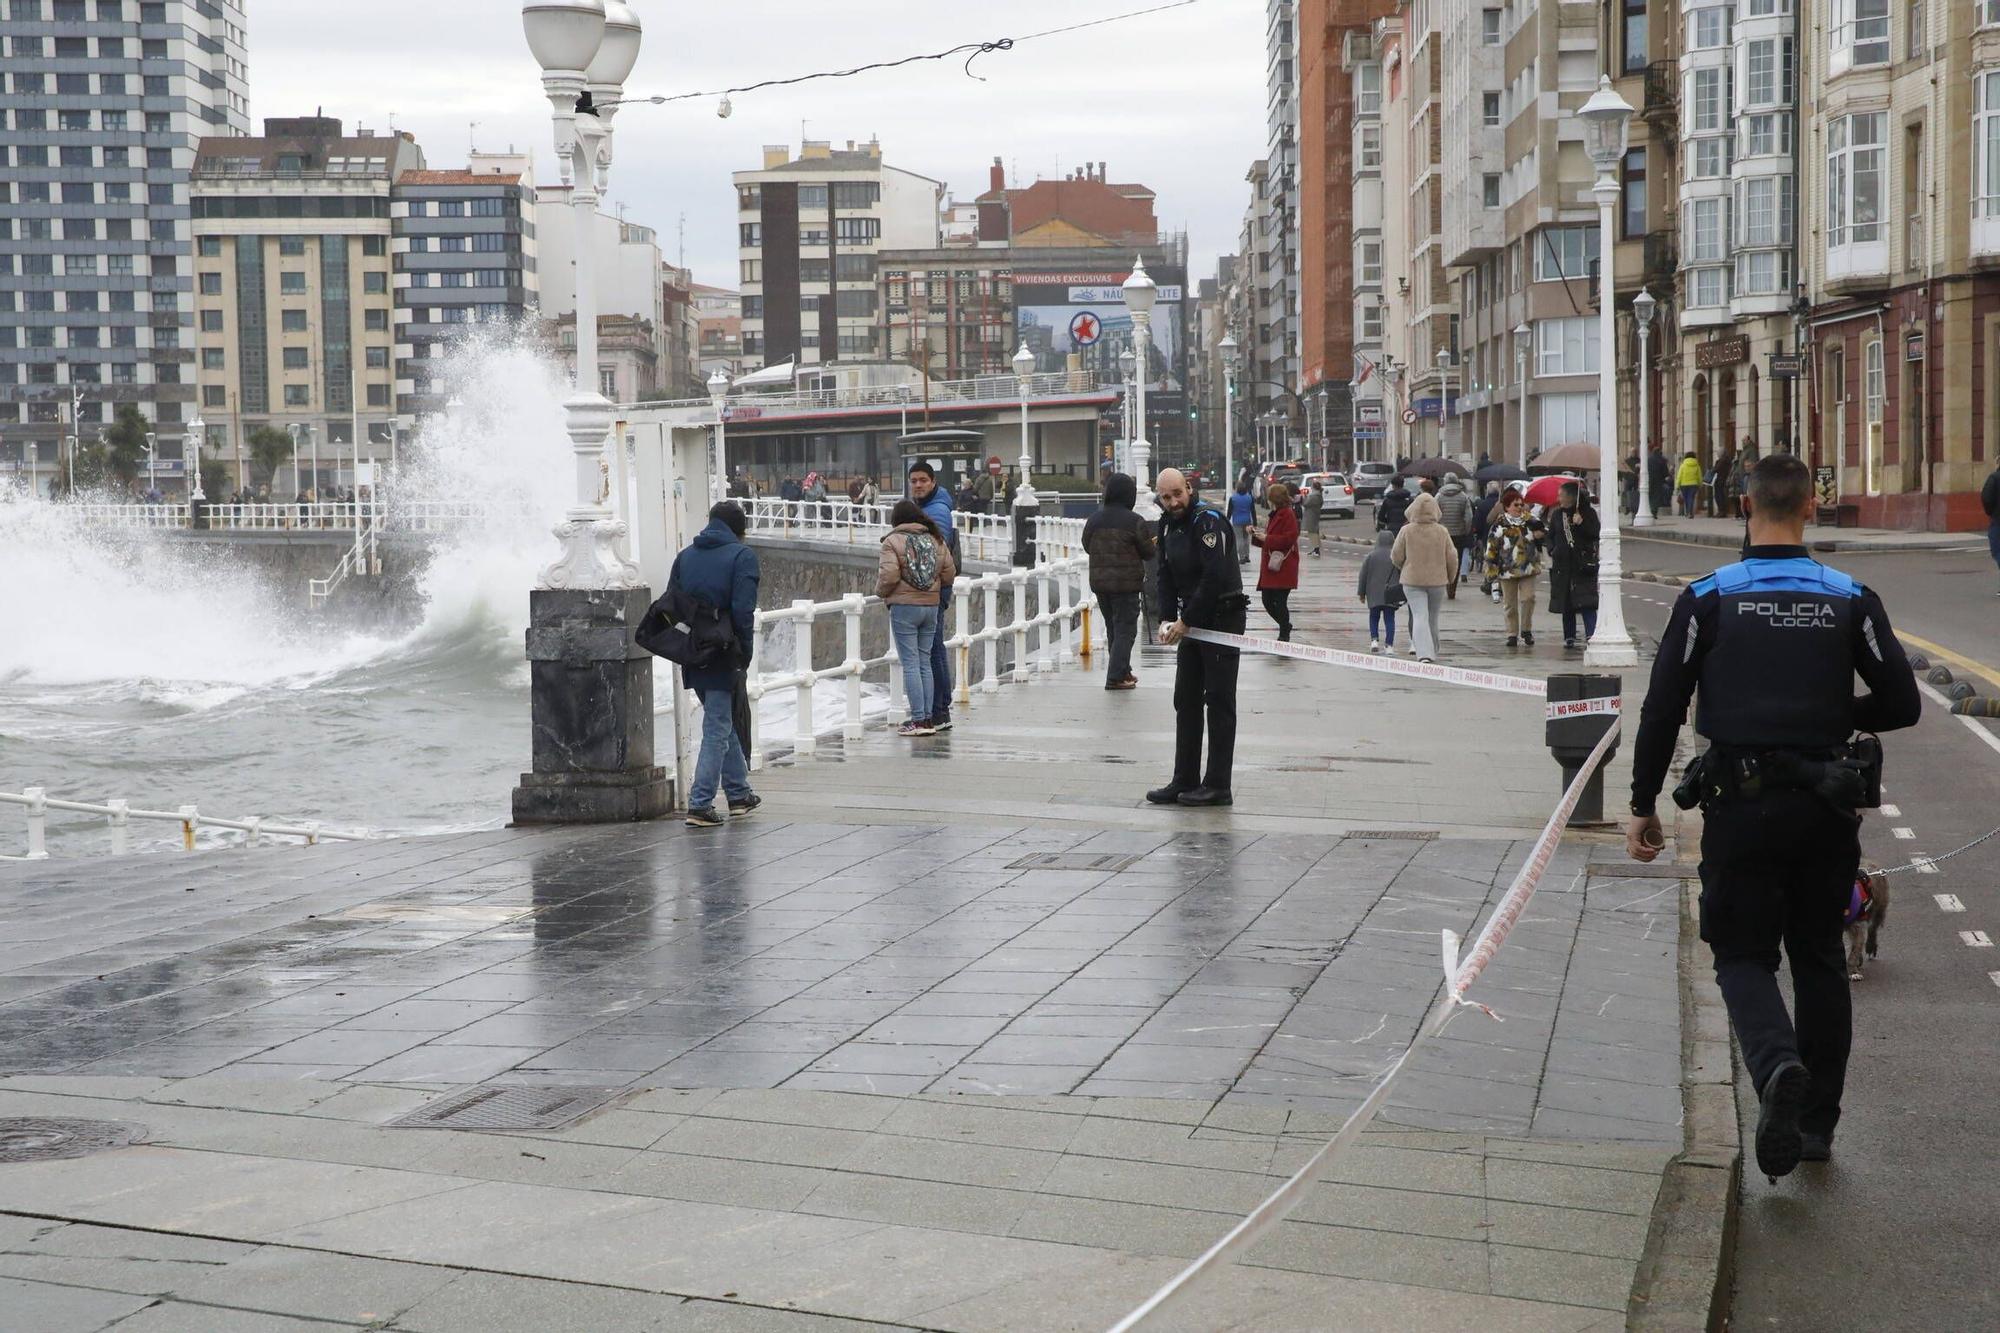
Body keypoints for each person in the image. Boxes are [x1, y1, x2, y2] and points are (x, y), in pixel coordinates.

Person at [1628, 453, 1919, 1178]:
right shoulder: (1850, 596)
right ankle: (1816, 1124)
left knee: (1740, 952)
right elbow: (1903, 703)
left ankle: (1775, 1065)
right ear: (1810, 509)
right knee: (1818, 952)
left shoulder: (1709, 597)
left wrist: (1642, 804)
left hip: (1741, 805)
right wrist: (1830, 714)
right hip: (1824, 805)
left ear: (1743, 507)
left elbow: (1664, 705)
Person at [1152, 467, 1247, 807]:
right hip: (1191, 622)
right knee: (1186, 699)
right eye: (1166, 497)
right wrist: (1166, 619)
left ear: (1188, 488)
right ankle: (1185, 778)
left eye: (1178, 493)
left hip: (1222, 617)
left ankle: (1218, 784)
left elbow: (1214, 576)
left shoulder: (1208, 521)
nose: (1174, 501)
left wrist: (1185, 620)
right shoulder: (1166, 525)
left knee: (1219, 702)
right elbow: (1163, 575)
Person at [667, 501, 761, 828]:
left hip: (694, 649)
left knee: (721, 719)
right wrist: (744, 655)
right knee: (718, 725)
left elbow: (672, 605)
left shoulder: (685, 556)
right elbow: (743, 613)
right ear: (740, 529)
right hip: (725, 650)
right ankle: (700, 803)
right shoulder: (742, 557)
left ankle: (738, 795)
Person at [878, 498, 957, 737]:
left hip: (904, 607)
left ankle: (919, 720)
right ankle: (929, 719)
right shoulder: (935, 539)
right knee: (924, 663)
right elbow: (950, 573)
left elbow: (889, 575)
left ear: (896, 520)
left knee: (910, 663)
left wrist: (881, 592)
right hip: (931, 607)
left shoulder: (892, 541)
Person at [1082, 471, 1157, 690]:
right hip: (1126, 585)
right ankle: (1115, 677)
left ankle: (1123, 671)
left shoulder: (1094, 519)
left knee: (1113, 627)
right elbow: (1148, 553)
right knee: (1126, 628)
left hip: (1100, 583)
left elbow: (1087, 545)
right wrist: (1150, 544)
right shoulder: (1134, 521)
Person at [906, 461, 960, 731]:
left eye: (922, 480)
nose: (917, 485)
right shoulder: (927, 507)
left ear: (933, 481)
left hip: (933, 591)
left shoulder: (936, 511)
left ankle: (939, 709)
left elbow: (933, 550)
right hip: (933, 589)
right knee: (933, 649)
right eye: (914, 480)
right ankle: (937, 710)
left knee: (933, 650)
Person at [1392, 492, 1456, 663]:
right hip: (1437, 580)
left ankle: (1424, 653)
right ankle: (1433, 649)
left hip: (1412, 580)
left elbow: (1396, 555)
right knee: (1433, 616)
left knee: (1420, 615)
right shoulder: (1442, 531)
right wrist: (1450, 577)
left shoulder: (1406, 530)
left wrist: (1404, 567)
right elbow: (1452, 557)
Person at [1484, 488, 1544, 647]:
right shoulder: (1500, 524)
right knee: (1510, 604)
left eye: (1521, 504)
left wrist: (1538, 532)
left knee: (1528, 598)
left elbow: (1542, 532)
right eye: (1515, 504)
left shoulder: (1530, 521)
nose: (1519, 507)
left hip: (1528, 568)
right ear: (1506, 507)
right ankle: (1512, 633)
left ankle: (1526, 630)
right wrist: (1491, 570)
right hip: (1507, 570)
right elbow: (1491, 547)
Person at [1545, 480, 1601, 650]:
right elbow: (1551, 535)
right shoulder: (1557, 514)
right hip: (1563, 566)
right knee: (1566, 603)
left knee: (1586, 602)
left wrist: (1581, 523)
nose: (1559, 498)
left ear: (1571, 497)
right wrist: (1552, 549)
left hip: (1582, 565)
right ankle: (1569, 636)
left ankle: (1591, 634)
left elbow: (1595, 533)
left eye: (1561, 495)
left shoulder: (1588, 513)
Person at [1250, 481, 1300, 642]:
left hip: (1283, 567)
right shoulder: (1276, 514)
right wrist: (1257, 535)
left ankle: (1284, 631)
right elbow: (1269, 540)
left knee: (1279, 601)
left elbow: (1289, 538)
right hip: (1272, 567)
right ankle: (1285, 624)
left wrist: (1267, 538)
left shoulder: (1287, 514)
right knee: (1267, 600)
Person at [1357, 529, 1403, 654]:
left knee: (1374, 617)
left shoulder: (1371, 556)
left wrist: (1361, 593)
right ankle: (1389, 645)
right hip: (1390, 594)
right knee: (1389, 619)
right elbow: (1401, 573)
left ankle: (1374, 640)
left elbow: (1363, 575)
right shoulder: (1395, 556)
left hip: (1373, 593)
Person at [1435, 475, 1475, 597]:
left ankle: (1446, 583)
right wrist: (1466, 530)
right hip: (1459, 534)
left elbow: (1435, 514)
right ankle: (1452, 588)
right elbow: (1469, 517)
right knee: (1456, 560)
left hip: (1443, 534)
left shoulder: (1439, 496)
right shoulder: (1463, 497)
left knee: (1444, 560)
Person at [1472, 480, 1504, 600]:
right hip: (1504, 538)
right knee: (1501, 560)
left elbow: (1481, 522)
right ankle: (1498, 584)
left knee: (1490, 560)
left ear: (1487, 490)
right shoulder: (1504, 503)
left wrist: (1478, 535)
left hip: (1488, 536)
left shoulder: (1483, 504)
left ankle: (1490, 583)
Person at [1226, 480, 1256, 566]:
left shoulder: (1233, 498)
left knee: (1239, 539)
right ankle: (1247, 556)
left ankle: (1241, 557)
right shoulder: (1249, 498)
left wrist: (1227, 521)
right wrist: (1255, 522)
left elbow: (1230, 512)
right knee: (1246, 538)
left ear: (1237, 489)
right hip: (1247, 521)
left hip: (1237, 521)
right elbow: (1253, 511)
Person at [1984, 459, 2000, 595]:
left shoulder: (1994, 478)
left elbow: (1987, 498)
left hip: (1998, 521)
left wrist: (1992, 512)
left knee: (1997, 550)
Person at [1647, 445, 1672, 519]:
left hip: (1650, 479)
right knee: (1656, 496)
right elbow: (1665, 472)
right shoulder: (1662, 460)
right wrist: (1665, 477)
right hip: (1658, 480)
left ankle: (1650, 510)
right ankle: (1654, 512)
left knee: (1650, 495)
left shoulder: (1649, 459)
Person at [1299, 480, 1323, 555]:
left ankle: (1316, 549)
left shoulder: (1313, 496)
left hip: (1311, 515)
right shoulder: (1319, 495)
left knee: (1312, 532)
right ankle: (1315, 548)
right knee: (1314, 531)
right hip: (1315, 514)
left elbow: (1306, 503)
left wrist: (1304, 497)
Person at [1676, 451, 1703, 518]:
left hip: (1683, 484)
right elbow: (1699, 475)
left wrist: (1677, 485)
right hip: (1694, 484)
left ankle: (1688, 512)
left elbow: (1679, 476)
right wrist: (1700, 484)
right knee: (1691, 498)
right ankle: (1690, 512)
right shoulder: (1697, 465)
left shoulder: (1683, 465)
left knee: (1686, 499)